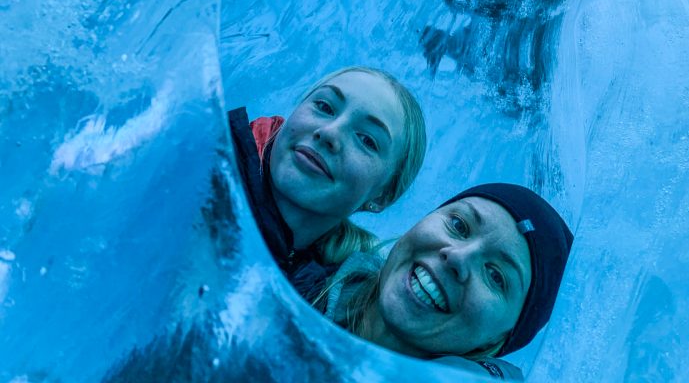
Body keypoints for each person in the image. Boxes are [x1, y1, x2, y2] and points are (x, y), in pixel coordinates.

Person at [319, 183, 573, 379]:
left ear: (497, 340)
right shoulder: (301, 264)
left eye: (495, 276)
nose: (457, 258)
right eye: (459, 225)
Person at [227, 66, 426, 301]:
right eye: (324, 106)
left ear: (382, 196)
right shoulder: (202, 156)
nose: (330, 133)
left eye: (366, 140)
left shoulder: (333, 298)